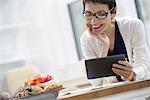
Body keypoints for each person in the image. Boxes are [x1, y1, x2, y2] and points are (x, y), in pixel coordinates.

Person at [80, 0, 150, 82]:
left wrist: (132, 75)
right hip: (115, 92)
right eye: (89, 14)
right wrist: (104, 48)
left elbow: (144, 66)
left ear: (113, 12)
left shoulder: (132, 25)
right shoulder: (86, 39)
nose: (93, 21)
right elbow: (96, 82)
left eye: (101, 14)